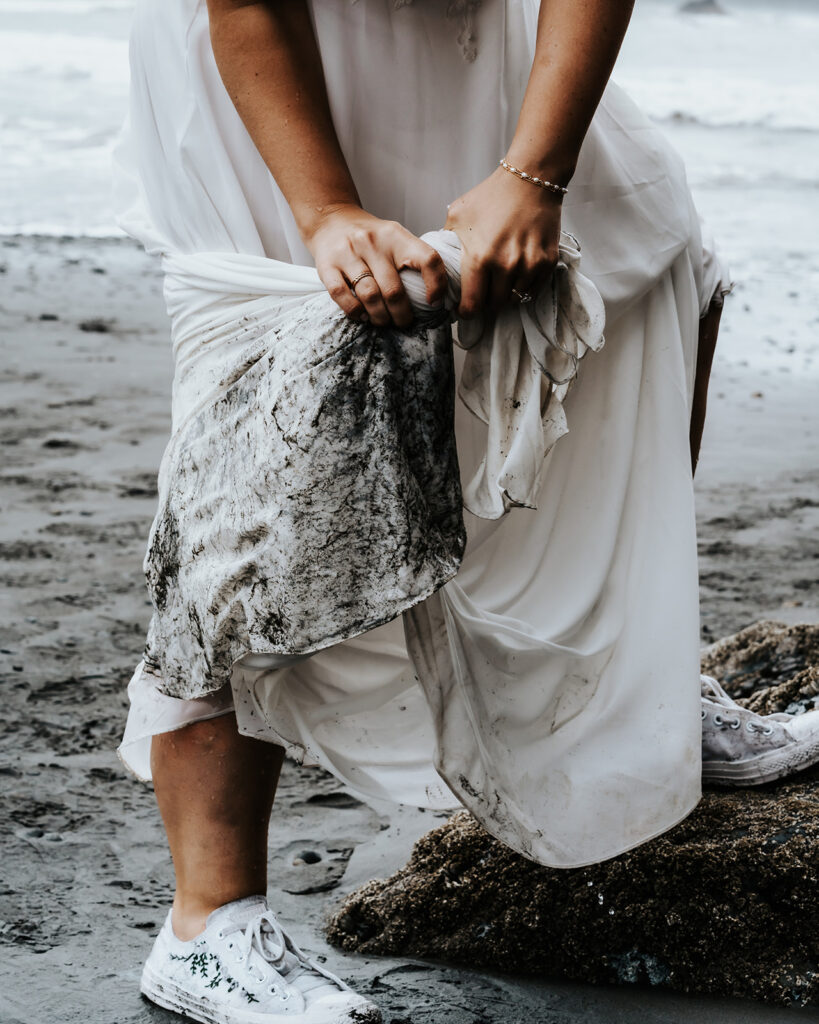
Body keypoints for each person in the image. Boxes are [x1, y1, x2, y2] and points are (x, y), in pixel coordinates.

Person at [111, 2, 818, 1023]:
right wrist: (327, 214)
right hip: (277, 56)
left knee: (658, 262)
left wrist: (537, 173)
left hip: (479, 34)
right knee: (274, 417)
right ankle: (207, 923)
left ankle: (636, 683)